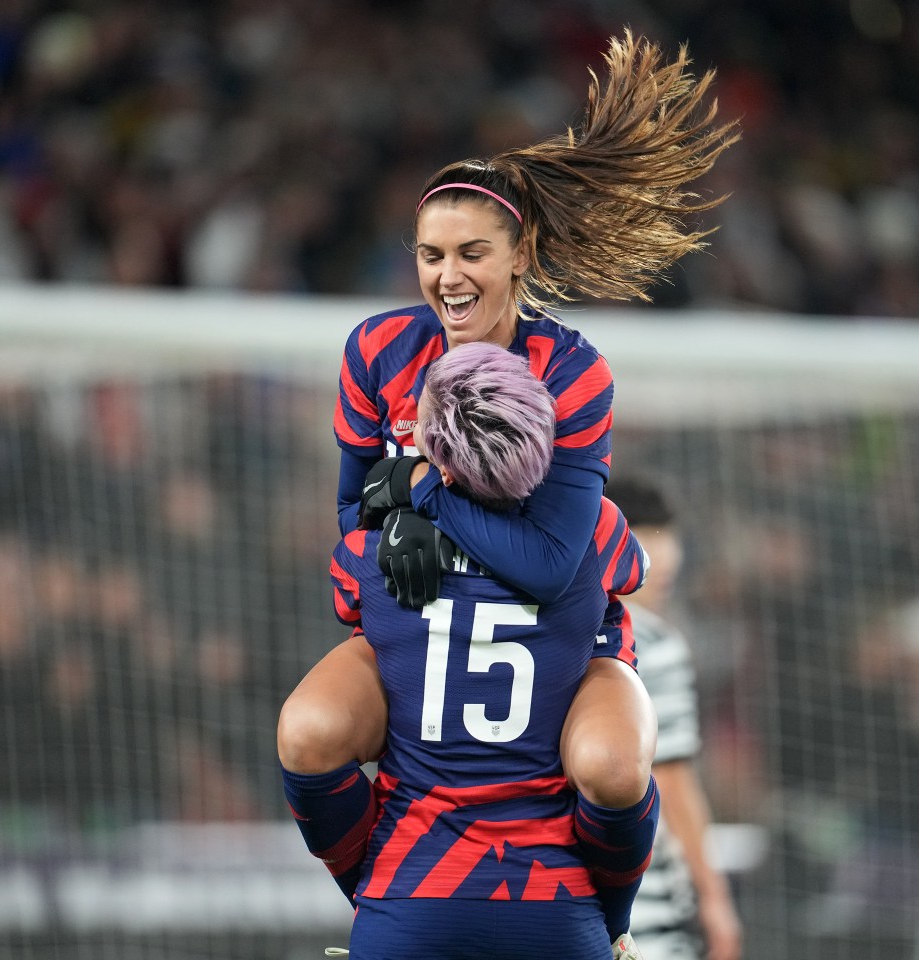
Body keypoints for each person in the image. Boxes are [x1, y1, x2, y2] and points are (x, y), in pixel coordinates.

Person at [277, 30, 738, 950]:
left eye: (472, 253)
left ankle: (610, 929)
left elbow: (556, 557)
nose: (448, 277)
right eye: (429, 254)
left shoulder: (576, 372)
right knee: (310, 730)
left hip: (559, 630)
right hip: (427, 624)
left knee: (611, 764)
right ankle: (384, 892)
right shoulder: (376, 351)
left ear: (520, 251)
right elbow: (348, 514)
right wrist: (383, 539)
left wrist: (421, 503)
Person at [324, 342, 651, 959]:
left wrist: (410, 503)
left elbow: (347, 598)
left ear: (440, 465)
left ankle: (360, 895)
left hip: (409, 897)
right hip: (555, 903)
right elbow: (632, 569)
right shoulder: (599, 533)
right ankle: (618, 932)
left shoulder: (369, 558)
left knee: (309, 738)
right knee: (619, 764)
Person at [605, 474, 744, 960]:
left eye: (670, 537)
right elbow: (672, 781)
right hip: (640, 903)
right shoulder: (653, 643)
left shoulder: (554, 628)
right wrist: (714, 897)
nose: (665, 556)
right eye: (647, 537)